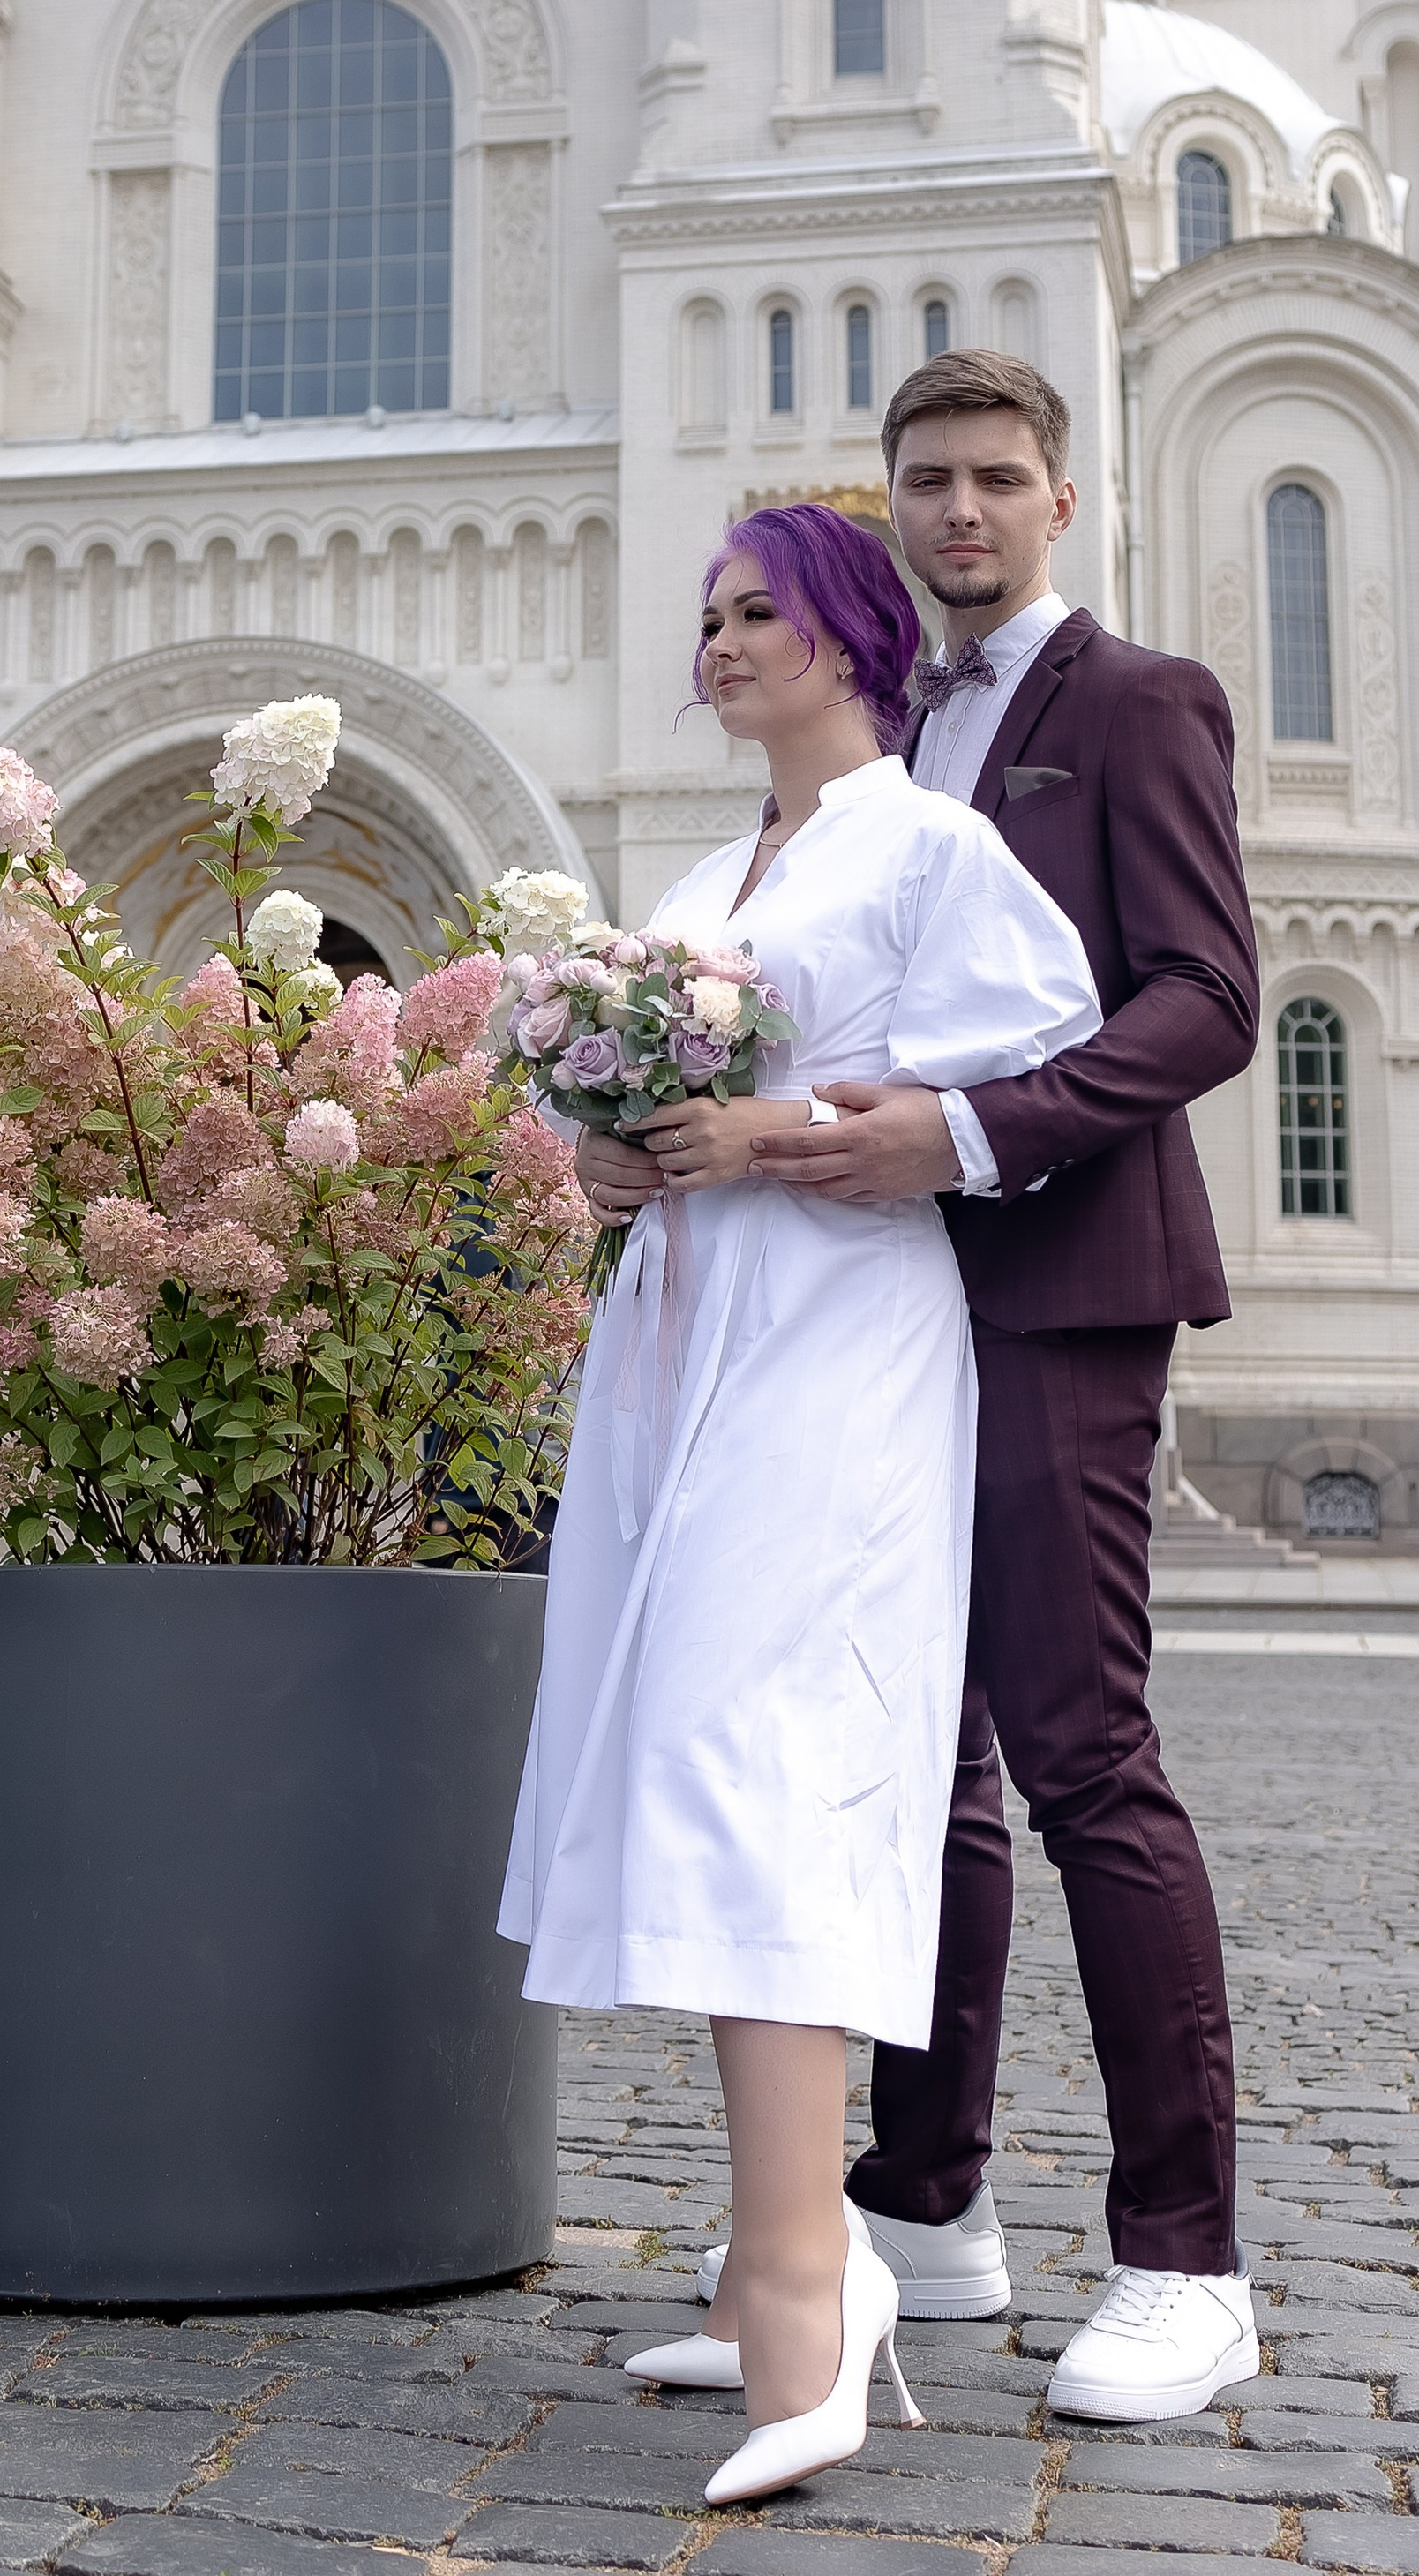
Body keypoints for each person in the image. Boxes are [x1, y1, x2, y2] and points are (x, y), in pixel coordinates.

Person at [503, 504, 1101, 2504]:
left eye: (760, 607)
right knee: (681, 1752)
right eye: (708, 614)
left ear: (852, 634)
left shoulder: (930, 849)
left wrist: (784, 1127)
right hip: (682, 1336)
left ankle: (799, 2277)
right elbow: (603, 1128)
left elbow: (1033, 1069)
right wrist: (607, 1164)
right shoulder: (695, 877)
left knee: (761, 1759)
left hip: (838, 1336)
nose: (725, 638)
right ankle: (806, 2246)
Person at [727, 349, 1263, 2423]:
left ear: (1058, 502)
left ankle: (1185, 2260)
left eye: (991, 481)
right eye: (922, 482)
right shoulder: (867, 734)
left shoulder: (1129, 704)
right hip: (868, 1302)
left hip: (1051, 1280)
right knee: (912, 1770)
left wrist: (961, 1132)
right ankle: (922, 2206)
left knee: (1078, 1755)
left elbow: (1205, 999)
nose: (956, 512)